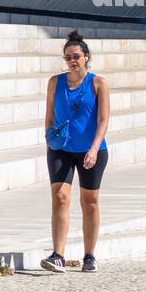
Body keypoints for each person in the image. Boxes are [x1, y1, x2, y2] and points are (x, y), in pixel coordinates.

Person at [41, 31, 111, 273]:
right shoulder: (54, 82)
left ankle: (89, 255)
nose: (72, 60)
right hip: (60, 148)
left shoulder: (98, 83)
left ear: (86, 57)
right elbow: (49, 115)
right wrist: (49, 138)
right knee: (60, 197)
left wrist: (93, 148)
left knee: (89, 201)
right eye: (68, 57)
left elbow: (103, 120)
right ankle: (57, 254)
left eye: (77, 56)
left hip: (91, 150)